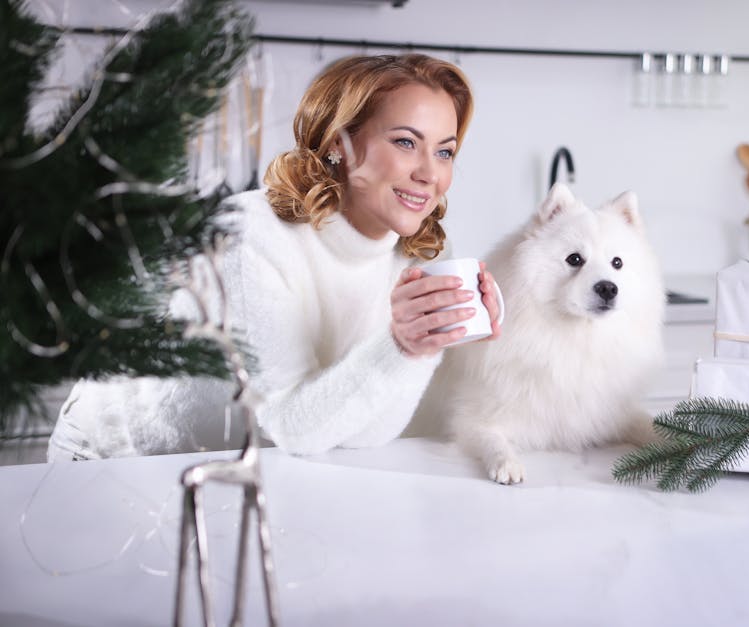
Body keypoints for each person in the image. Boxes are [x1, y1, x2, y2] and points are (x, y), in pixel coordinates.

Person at [47, 53, 501, 460]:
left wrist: (422, 344)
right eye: (405, 142)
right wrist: (402, 345)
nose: (431, 174)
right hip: (117, 456)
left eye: (445, 151)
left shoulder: (421, 253)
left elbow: (358, 433)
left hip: (234, 466)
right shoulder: (253, 234)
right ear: (339, 143)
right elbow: (293, 426)